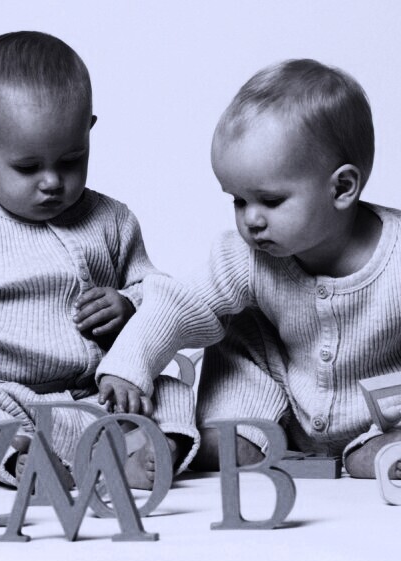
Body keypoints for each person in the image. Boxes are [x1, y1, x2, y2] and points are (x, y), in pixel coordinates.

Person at [97, 58, 401, 478]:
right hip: (279, 410)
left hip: (378, 415)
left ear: (342, 188)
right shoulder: (247, 255)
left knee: (378, 448)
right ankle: (208, 440)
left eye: (270, 201)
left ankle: (379, 452)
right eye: (239, 201)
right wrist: (129, 366)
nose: (251, 220)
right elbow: (177, 303)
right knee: (239, 335)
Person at [0, 31, 198, 488]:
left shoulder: (112, 219)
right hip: (6, 399)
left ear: (88, 131)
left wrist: (129, 304)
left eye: (71, 160)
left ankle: (152, 451)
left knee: (170, 389)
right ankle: (21, 462)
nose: (52, 181)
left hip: (99, 396)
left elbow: (160, 295)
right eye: (28, 167)